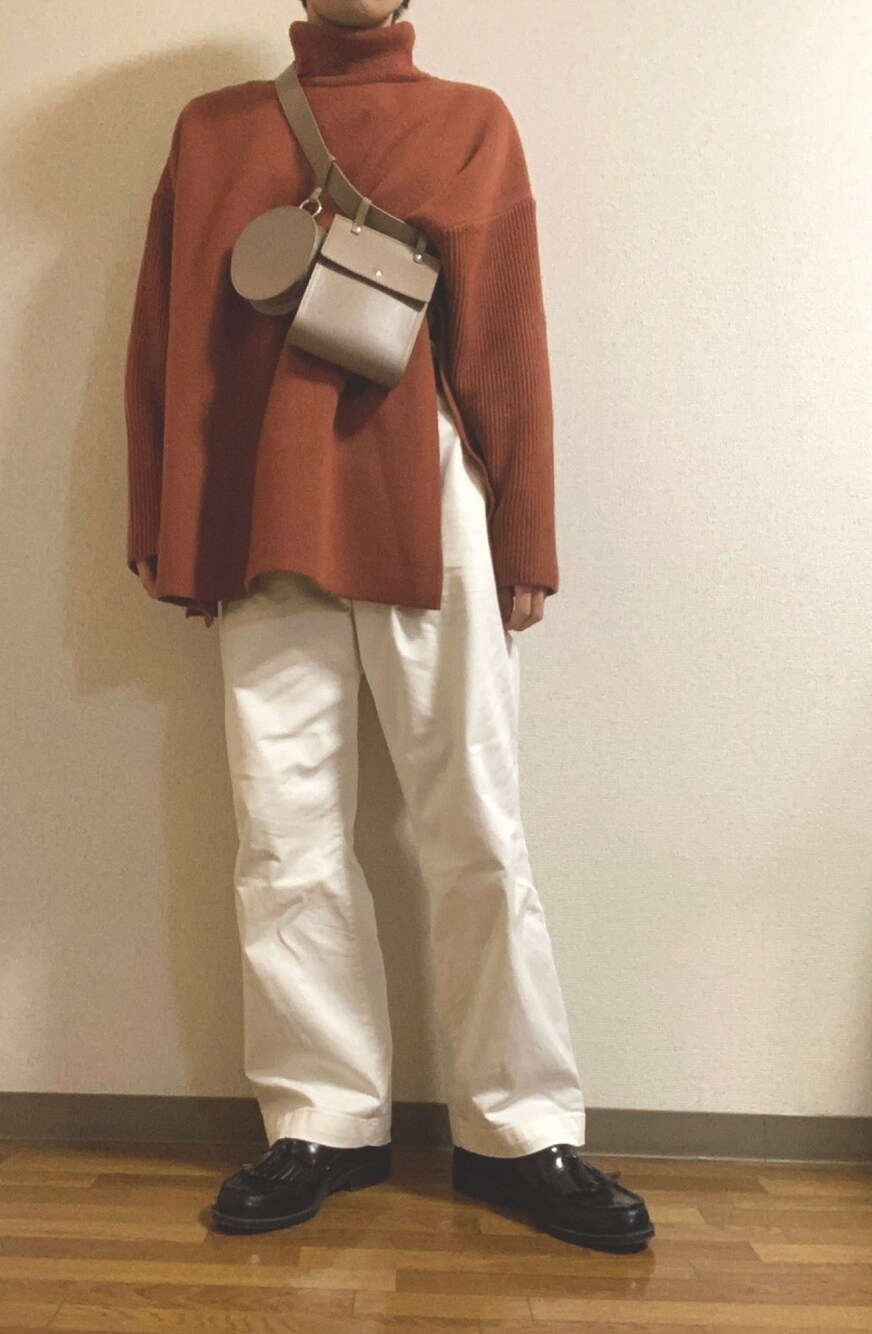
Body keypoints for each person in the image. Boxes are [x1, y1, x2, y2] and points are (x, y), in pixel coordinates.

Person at [124, 0, 655, 1253]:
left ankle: (517, 1129)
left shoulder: (470, 125)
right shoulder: (212, 132)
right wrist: (166, 520)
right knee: (282, 829)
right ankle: (322, 1118)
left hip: (432, 505)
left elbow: (507, 338)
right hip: (263, 509)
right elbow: (167, 342)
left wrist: (525, 531)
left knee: (476, 821)